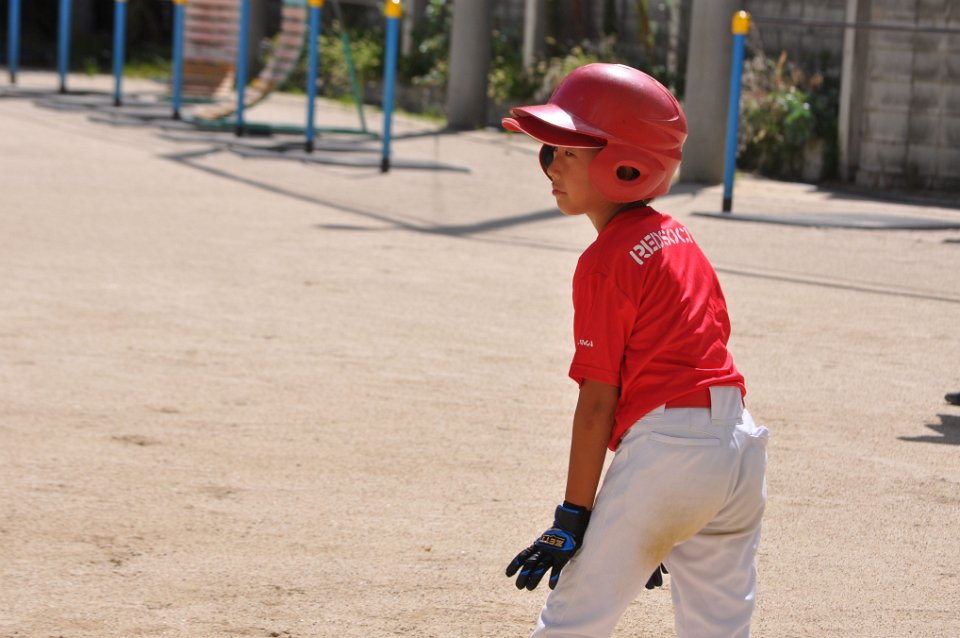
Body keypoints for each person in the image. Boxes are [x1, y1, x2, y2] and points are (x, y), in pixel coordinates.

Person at [501, 63, 770, 638]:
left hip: (670, 453)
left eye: (569, 151)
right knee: (718, 631)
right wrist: (669, 510)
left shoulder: (604, 262)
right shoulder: (679, 238)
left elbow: (598, 402)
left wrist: (574, 516)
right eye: (551, 151)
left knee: (572, 622)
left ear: (625, 165)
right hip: (738, 451)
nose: (552, 165)